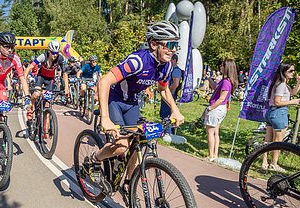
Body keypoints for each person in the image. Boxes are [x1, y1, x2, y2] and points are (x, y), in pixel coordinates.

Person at [85, 20, 184, 189]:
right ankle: (93, 160)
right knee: (122, 147)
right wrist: (105, 118)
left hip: (131, 103)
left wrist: (175, 110)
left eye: (176, 45)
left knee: (139, 140)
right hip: (114, 100)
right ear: (154, 44)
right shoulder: (137, 61)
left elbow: (163, 89)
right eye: (170, 44)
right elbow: (104, 82)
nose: (174, 49)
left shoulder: (166, 67)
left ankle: (128, 183)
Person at [262, 62, 300, 171]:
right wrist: (293, 102)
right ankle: (274, 163)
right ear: (283, 72)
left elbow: (292, 92)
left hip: (271, 113)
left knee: (267, 139)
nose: (293, 73)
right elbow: (277, 102)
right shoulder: (281, 85)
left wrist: (298, 83)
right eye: (290, 71)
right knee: (278, 141)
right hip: (279, 113)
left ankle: (264, 162)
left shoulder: (280, 83)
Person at [204, 58, 238, 161]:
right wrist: (209, 79)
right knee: (215, 132)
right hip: (220, 109)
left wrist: (210, 108)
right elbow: (216, 88)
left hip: (216, 108)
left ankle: (211, 155)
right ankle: (215, 154)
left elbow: (222, 98)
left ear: (227, 67)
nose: (220, 67)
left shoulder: (226, 82)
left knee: (210, 132)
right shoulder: (225, 81)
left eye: (222, 66)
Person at [24, 40, 64, 127]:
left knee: (48, 102)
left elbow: (64, 73)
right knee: (36, 94)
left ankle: (45, 126)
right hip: (40, 77)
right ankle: (30, 110)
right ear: (49, 51)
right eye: (53, 53)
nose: (55, 55)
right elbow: (30, 66)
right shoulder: (43, 56)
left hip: (50, 80)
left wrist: (65, 87)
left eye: (56, 53)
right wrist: (24, 78)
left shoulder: (60, 58)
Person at [159, 53, 182, 135]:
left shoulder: (176, 70)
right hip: (168, 93)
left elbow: (176, 84)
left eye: (170, 59)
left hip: (171, 95)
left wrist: (167, 90)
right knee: (164, 113)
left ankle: (168, 133)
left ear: (174, 60)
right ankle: (166, 132)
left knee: (167, 114)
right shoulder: (171, 69)